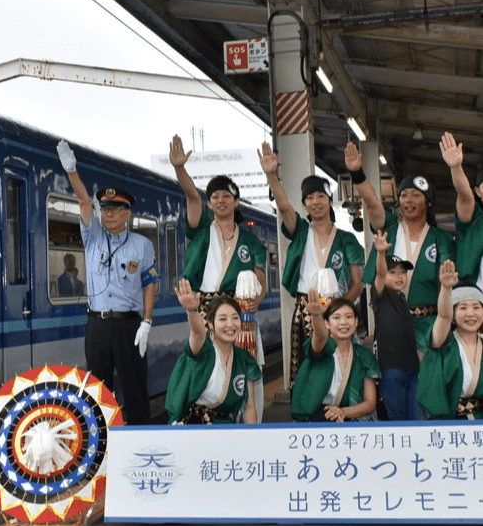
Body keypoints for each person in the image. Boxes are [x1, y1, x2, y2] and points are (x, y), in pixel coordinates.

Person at [57, 140, 158, 424]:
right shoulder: (94, 237)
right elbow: (83, 201)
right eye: (106, 209)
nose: (109, 214)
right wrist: (71, 170)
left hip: (129, 325)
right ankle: (99, 449)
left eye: (115, 209)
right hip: (98, 325)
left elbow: (149, 282)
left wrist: (147, 322)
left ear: (127, 213)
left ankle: (140, 447)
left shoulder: (142, 245)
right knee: (97, 393)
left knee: (135, 391)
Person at [169, 135, 268, 420]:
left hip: (241, 316)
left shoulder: (251, 241)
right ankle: (203, 421)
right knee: (208, 370)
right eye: (215, 197)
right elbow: (190, 195)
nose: (221, 200)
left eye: (227, 196)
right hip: (207, 312)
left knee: (247, 373)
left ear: (236, 201)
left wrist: (253, 304)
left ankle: (252, 428)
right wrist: (179, 169)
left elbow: (260, 281)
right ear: (210, 203)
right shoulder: (200, 231)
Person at [258, 142, 364, 385]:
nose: (315, 202)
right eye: (309, 198)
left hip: (338, 312)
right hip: (305, 309)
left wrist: (338, 311)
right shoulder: (300, 231)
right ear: (305, 204)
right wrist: (271, 175)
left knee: (340, 370)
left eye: (321, 197)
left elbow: (357, 284)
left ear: (329, 200)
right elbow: (284, 207)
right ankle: (307, 416)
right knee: (306, 372)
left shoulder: (347, 240)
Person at [347, 141, 456, 359]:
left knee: (424, 383)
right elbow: (372, 203)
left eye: (416, 195)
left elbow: (448, 281)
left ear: (428, 202)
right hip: (391, 321)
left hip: (428, 324)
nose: (408, 200)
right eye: (404, 194)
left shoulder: (440, 238)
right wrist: (357, 173)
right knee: (393, 382)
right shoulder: (389, 229)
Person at [165, 280, 260, 424]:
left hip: (225, 426)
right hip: (195, 426)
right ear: (211, 324)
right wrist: (192, 310)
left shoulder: (244, 359)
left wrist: (252, 438)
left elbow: (249, 407)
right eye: (222, 319)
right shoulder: (204, 349)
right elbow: (198, 334)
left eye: (235, 318)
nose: (230, 324)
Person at [290, 290, 379, 422]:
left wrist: (343, 412)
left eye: (349, 317)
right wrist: (316, 315)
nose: (343, 322)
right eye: (336, 317)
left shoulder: (364, 356)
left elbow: (370, 403)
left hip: (350, 418)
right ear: (327, 323)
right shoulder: (324, 348)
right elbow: (320, 337)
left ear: (356, 322)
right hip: (317, 420)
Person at [417, 261, 483, 420]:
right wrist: (446, 288)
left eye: (476, 307)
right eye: (463, 308)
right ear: (453, 314)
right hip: (449, 424)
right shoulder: (444, 343)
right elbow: (443, 316)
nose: (470, 314)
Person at [370, 230, 423, 420]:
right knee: (397, 422)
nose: (399, 276)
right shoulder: (381, 297)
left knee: (417, 420)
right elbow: (380, 273)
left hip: (412, 370)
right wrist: (381, 253)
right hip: (391, 371)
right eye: (393, 272)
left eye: (403, 272)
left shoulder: (403, 300)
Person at [440, 131, 483, 289]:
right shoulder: (475, 217)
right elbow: (465, 196)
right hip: (473, 295)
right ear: (478, 191)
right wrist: (456, 167)